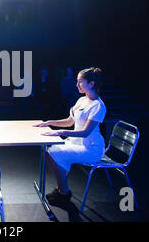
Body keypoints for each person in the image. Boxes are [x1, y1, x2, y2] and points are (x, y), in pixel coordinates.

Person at [33, 67, 106, 206]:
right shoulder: (81, 100)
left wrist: (60, 132)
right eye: (77, 81)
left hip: (91, 148)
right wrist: (50, 123)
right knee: (48, 150)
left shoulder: (98, 106)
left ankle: (64, 192)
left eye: (80, 82)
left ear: (91, 84)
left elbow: (85, 132)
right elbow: (69, 121)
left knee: (52, 153)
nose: (76, 85)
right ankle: (61, 188)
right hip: (76, 142)